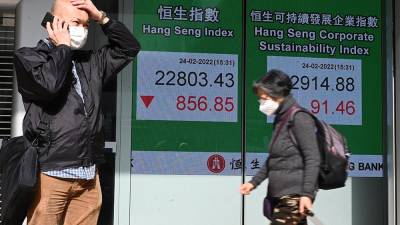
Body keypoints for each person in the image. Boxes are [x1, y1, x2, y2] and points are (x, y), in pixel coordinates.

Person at [13, 0, 140, 224]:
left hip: (89, 176)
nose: (82, 29)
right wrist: (62, 47)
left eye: (86, 25)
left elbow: (129, 47)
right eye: (76, 23)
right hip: (50, 175)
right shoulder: (29, 58)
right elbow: (49, 85)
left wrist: (101, 17)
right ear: (52, 23)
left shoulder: (91, 62)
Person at [239, 69, 321, 225]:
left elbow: (313, 157)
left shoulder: (299, 118)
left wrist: (307, 194)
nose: (262, 103)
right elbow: (274, 159)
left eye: (263, 98)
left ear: (277, 94)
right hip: (278, 196)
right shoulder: (281, 119)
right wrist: (253, 182)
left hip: (293, 197)